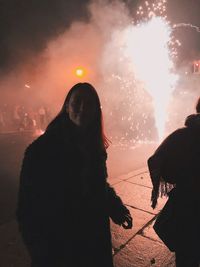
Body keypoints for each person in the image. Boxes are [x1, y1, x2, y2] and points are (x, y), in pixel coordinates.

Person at [17, 82, 133, 267]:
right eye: (77, 102)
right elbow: (26, 208)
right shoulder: (41, 150)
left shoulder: (94, 147)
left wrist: (116, 208)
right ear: (66, 106)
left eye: (89, 104)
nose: (82, 108)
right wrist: (40, 251)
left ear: (97, 111)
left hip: (94, 244)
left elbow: (97, 186)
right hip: (60, 250)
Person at [148, 99, 200, 267]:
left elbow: (155, 160)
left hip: (186, 206)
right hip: (189, 208)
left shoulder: (181, 135)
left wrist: (171, 177)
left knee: (186, 254)